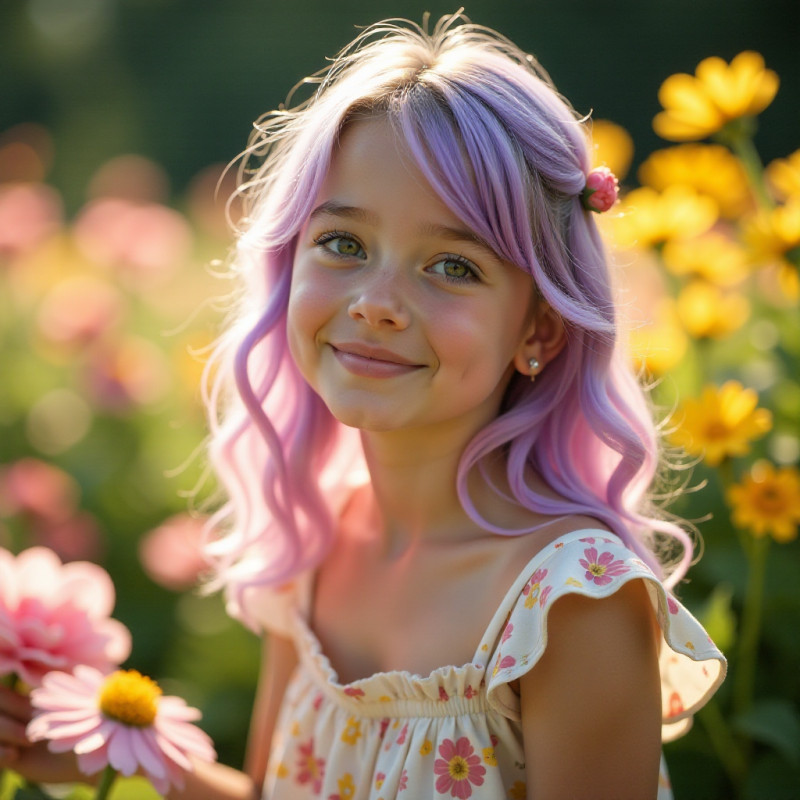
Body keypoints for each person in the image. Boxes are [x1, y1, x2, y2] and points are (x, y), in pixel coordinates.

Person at [0, 13, 726, 799]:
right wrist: (128, 758)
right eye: (343, 244)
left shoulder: (572, 602)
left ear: (539, 327)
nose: (377, 304)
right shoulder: (315, 544)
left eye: (452, 265)